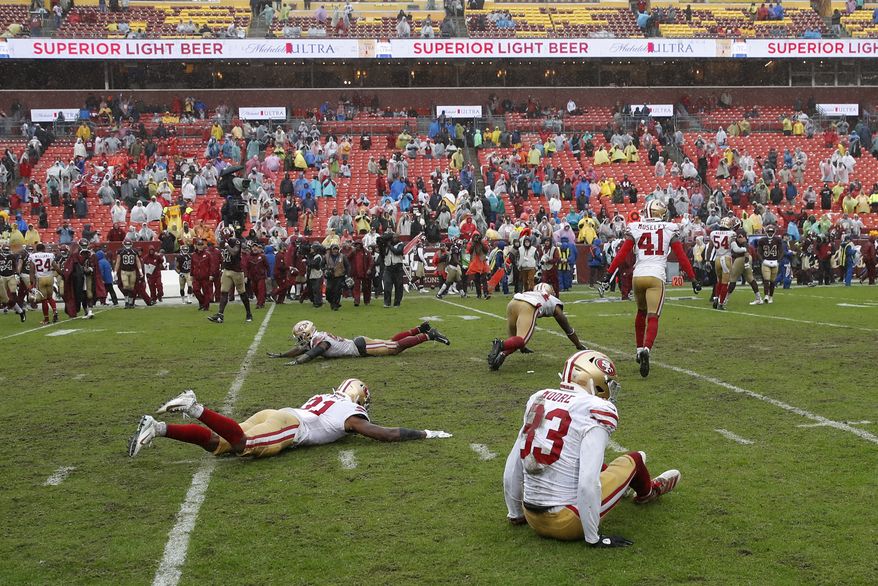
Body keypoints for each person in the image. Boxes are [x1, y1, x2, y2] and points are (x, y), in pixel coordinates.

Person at [503, 350, 680, 547]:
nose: (610, 387)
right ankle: (648, 493)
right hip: (567, 521)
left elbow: (513, 467)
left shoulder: (539, 398)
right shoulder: (594, 408)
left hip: (532, 517)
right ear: (593, 379)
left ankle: (627, 490)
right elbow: (588, 481)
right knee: (635, 459)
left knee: (595, 466)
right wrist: (593, 538)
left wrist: (516, 514)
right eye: (607, 381)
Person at [128, 379, 452, 459]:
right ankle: (195, 407)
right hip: (290, 426)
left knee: (219, 444)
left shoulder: (326, 396)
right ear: (359, 396)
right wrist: (424, 433)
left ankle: (157, 428)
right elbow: (383, 434)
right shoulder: (354, 414)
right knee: (243, 446)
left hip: (279, 413)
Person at [599, 200, 700, 377]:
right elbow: (681, 256)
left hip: (638, 276)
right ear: (661, 213)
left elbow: (622, 253)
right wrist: (692, 278)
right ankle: (646, 349)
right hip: (656, 276)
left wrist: (609, 274)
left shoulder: (636, 227)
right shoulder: (669, 228)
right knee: (653, 316)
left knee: (640, 312)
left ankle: (638, 350)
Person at [488, 283, 586, 371]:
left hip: (513, 303)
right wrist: (578, 344)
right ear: (550, 291)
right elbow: (567, 328)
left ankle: (500, 356)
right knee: (521, 340)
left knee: (514, 340)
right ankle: (500, 344)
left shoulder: (529, 292)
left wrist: (521, 348)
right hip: (528, 305)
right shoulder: (553, 300)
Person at [268, 320, 450, 365]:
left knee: (395, 347)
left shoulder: (320, 341)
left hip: (360, 347)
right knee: (390, 342)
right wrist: (282, 355)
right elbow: (301, 349)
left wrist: (298, 362)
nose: (300, 340)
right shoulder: (316, 337)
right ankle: (420, 329)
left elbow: (313, 352)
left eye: (300, 336)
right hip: (359, 343)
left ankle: (429, 335)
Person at [208, 237, 253, 324]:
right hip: (226, 270)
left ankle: (249, 313)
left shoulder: (235, 241)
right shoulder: (222, 243)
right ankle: (220, 315)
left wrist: (226, 245)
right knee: (224, 292)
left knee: (242, 293)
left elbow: (234, 252)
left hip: (237, 271)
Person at [709, 217, 737, 309]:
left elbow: (709, 248)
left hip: (717, 258)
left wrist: (708, 260)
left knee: (719, 281)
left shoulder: (713, 233)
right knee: (725, 283)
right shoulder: (731, 234)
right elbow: (734, 248)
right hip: (726, 258)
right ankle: (721, 303)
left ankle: (716, 297)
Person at [756, 225, 782, 304]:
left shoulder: (777, 240)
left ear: (774, 232)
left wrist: (778, 260)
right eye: (769, 232)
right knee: (766, 280)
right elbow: (759, 252)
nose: (770, 233)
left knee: (773, 281)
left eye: (771, 232)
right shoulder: (762, 240)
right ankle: (766, 296)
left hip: (774, 261)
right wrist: (762, 260)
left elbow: (781, 251)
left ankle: (771, 296)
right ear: (766, 232)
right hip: (766, 261)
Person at [114, 238, 143, 309]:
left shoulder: (134, 251)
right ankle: (126, 301)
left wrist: (140, 270)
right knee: (126, 286)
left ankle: (130, 302)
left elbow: (137, 261)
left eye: (128, 244)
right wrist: (115, 272)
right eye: (127, 244)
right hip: (124, 271)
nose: (127, 245)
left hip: (133, 271)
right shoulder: (121, 252)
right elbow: (118, 262)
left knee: (131, 288)